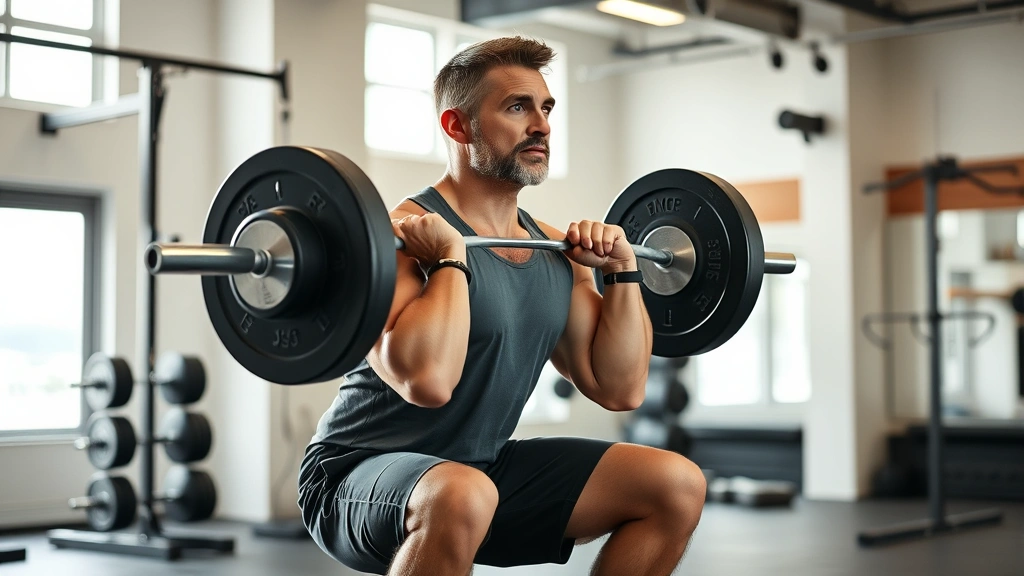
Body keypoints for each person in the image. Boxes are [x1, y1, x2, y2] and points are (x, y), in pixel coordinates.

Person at [298, 36, 706, 576]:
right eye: (517, 107)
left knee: (675, 484)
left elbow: (620, 388)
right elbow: (427, 382)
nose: (541, 126)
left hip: (480, 470)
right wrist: (449, 259)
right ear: (457, 126)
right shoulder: (394, 239)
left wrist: (622, 271)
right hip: (354, 473)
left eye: (546, 108)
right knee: (461, 494)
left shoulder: (556, 251)